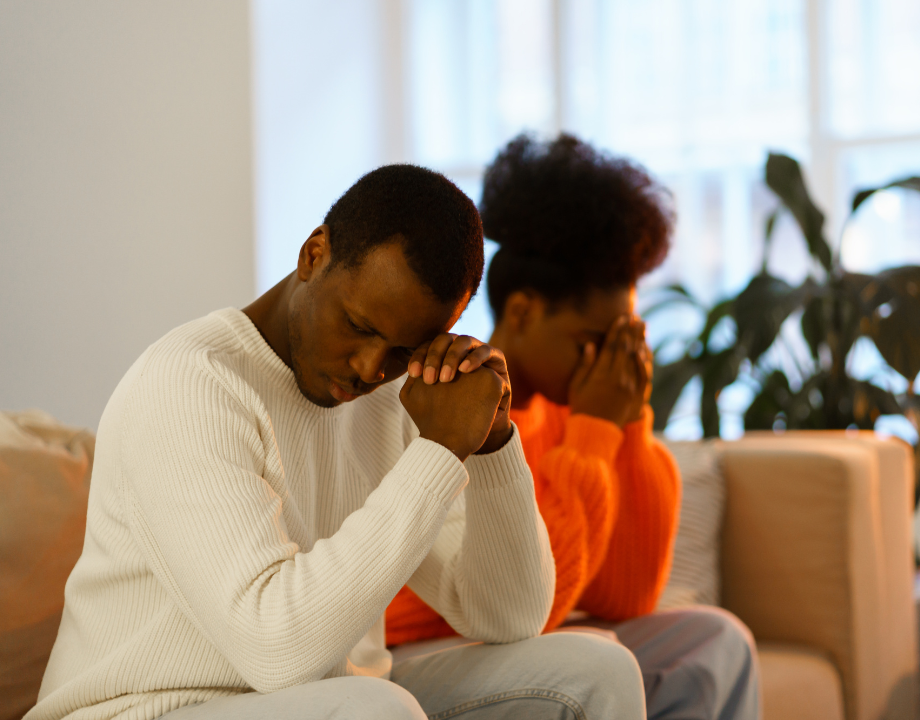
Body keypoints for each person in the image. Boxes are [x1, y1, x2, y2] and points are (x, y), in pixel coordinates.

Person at [28, 165, 647, 720]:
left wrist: (491, 442)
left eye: (403, 350)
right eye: (357, 325)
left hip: (333, 699)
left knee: (597, 669)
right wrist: (436, 454)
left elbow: (510, 615)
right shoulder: (191, 384)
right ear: (313, 254)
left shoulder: (394, 395)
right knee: (372, 709)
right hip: (146, 708)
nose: (371, 368)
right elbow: (275, 649)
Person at [386, 136, 761, 720]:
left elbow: (626, 594)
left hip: (528, 642)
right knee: (595, 655)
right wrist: (594, 431)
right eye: (593, 341)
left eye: (622, 341)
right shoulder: (445, 402)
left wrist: (627, 421)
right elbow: (532, 607)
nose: (607, 363)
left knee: (715, 641)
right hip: (428, 647)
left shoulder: (581, 414)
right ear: (523, 312)